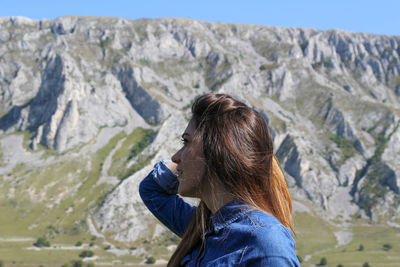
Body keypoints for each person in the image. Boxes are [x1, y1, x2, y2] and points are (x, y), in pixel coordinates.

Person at [139, 93, 300, 266]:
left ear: (217, 150)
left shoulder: (266, 242)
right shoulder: (204, 228)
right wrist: (185, 165)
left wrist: (188, 165)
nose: (175, 157)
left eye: (186, 142)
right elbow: (151, 189)